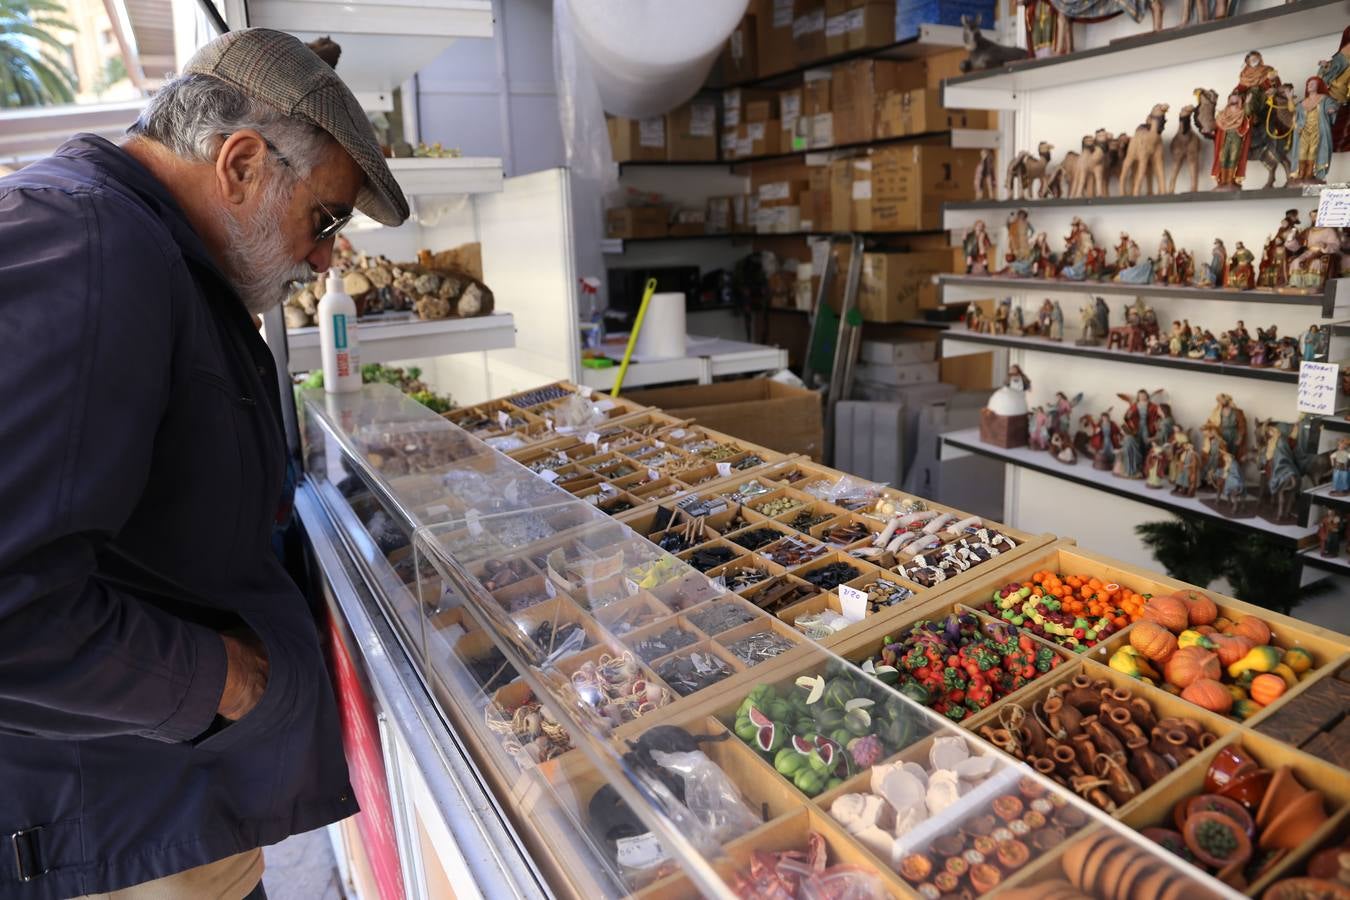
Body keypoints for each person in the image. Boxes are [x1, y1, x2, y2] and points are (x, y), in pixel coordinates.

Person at [0, 29, 408, 900]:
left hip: (163, 807)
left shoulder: (154, 253)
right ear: (242, 163)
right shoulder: (95, 253)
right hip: (110, 837)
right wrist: (229, 681)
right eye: (326, 217)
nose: (327, 254)